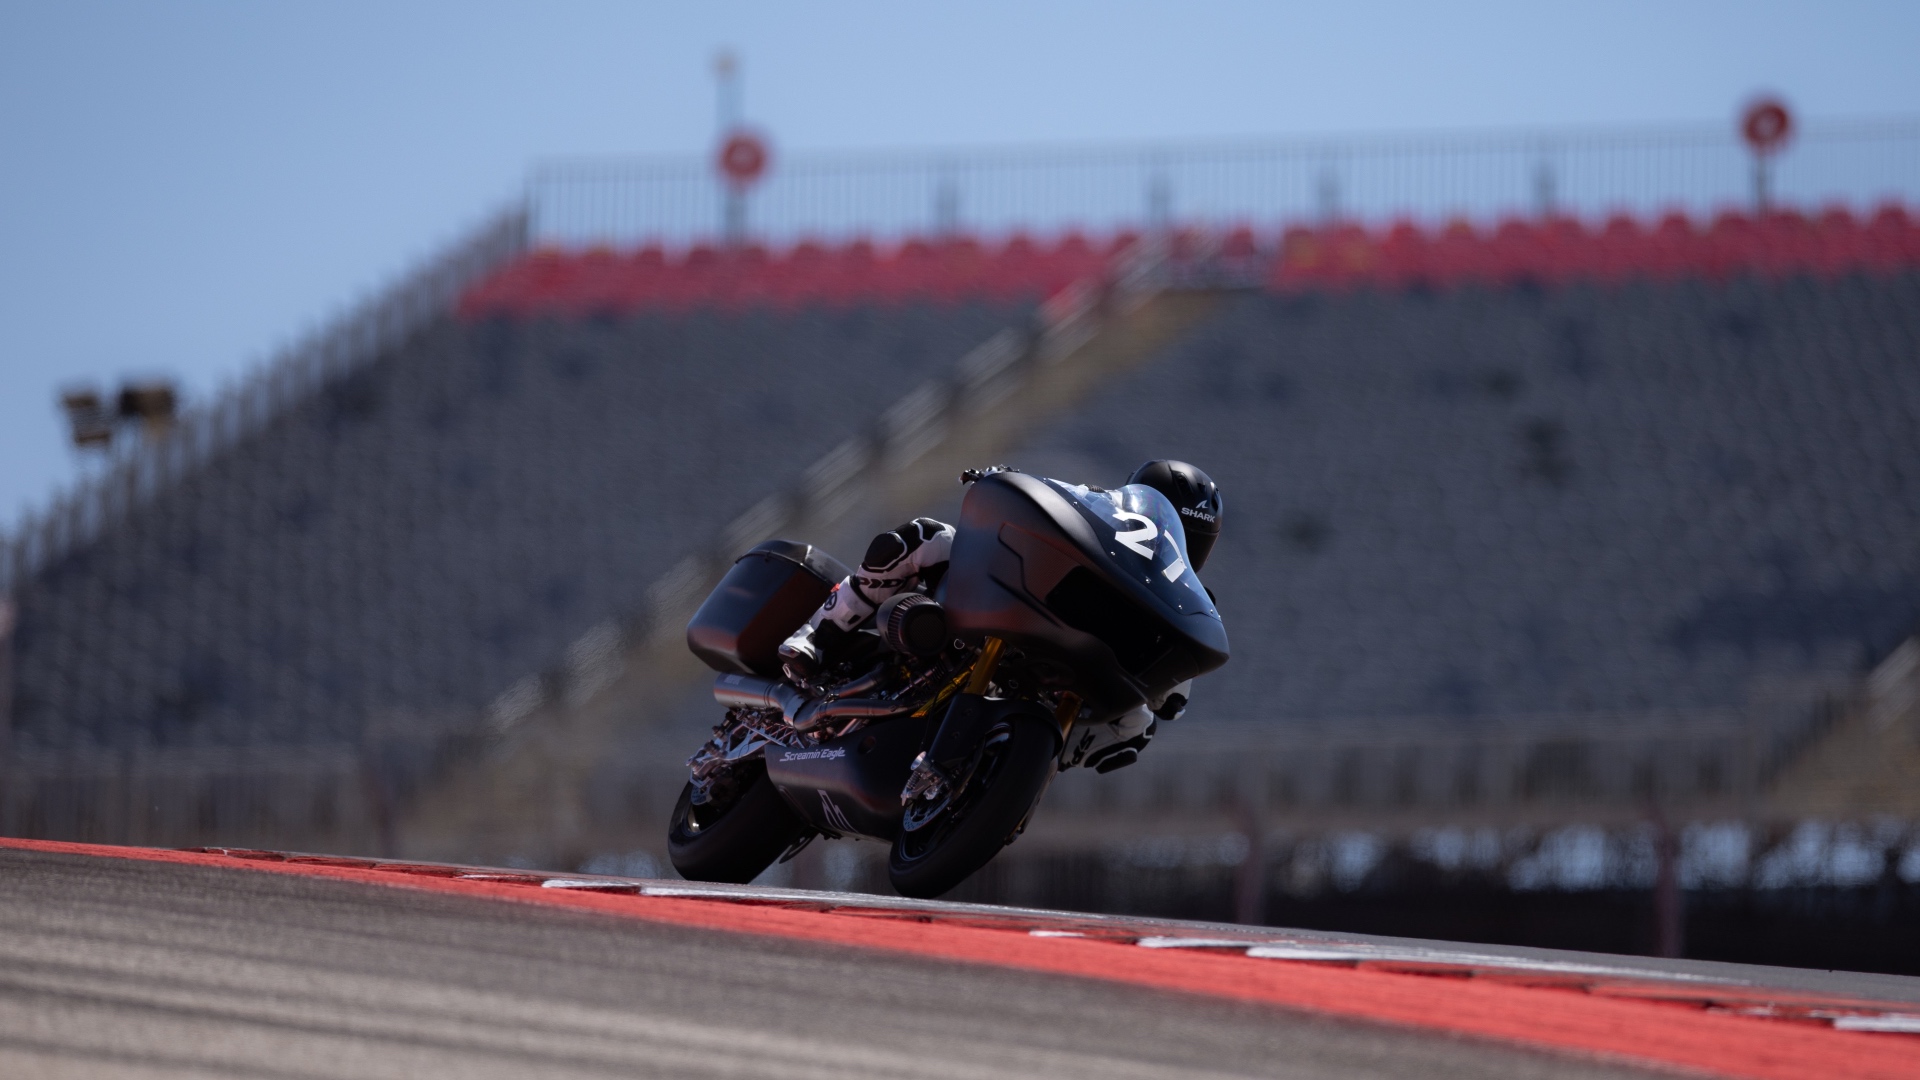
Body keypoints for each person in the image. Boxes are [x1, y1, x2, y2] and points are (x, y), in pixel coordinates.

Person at [778, 459, 1224, 700]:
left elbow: (1168, 703)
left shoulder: (1185, 611)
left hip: (1074, 692)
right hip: (1019, 597)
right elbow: (1056, 492)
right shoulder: (1097, 507)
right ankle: (820, 633)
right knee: (928, 537)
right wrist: (1002, 476)